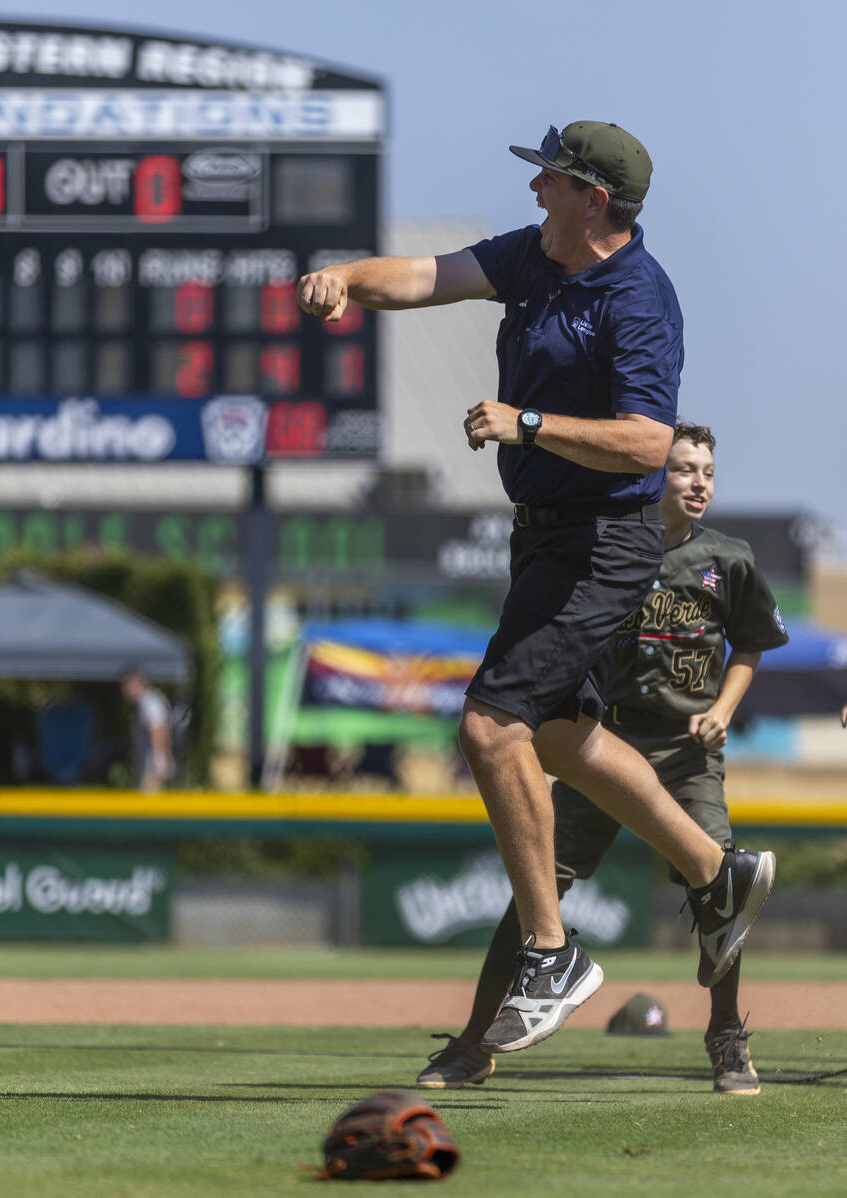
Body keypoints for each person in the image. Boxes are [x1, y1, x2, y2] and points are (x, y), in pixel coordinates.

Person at [298, 121, 776, 1052]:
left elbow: (647, 440)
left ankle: (553, 955)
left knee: (489, 727)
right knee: (559, 734)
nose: (535, 192)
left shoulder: (638, 295)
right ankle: (714, 874)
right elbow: (433, 276)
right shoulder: (534, 256)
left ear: (593, 199)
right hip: (548, 537)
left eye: (550, 179)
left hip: (605, 543)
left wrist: (529, 422)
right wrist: (350, 280)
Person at [416, 423, 789, 1094]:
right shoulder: (616, 550)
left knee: (721, 889)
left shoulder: (727, 558)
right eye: (683, 469)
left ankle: (727, 1038)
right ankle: (474, 1044)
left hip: (684, 750)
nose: (699, 481)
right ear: (652, 476)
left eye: (707, 470)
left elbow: (754, 642)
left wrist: (723, 711)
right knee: (536, 894)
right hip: (598, 745)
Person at [120, 667, 174, 790]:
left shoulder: (149, 702)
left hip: (151, 768)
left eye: (126, 684)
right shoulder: (148, 701)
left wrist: (159, 762)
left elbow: (157, 731)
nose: (124, 689)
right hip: (150, 766)